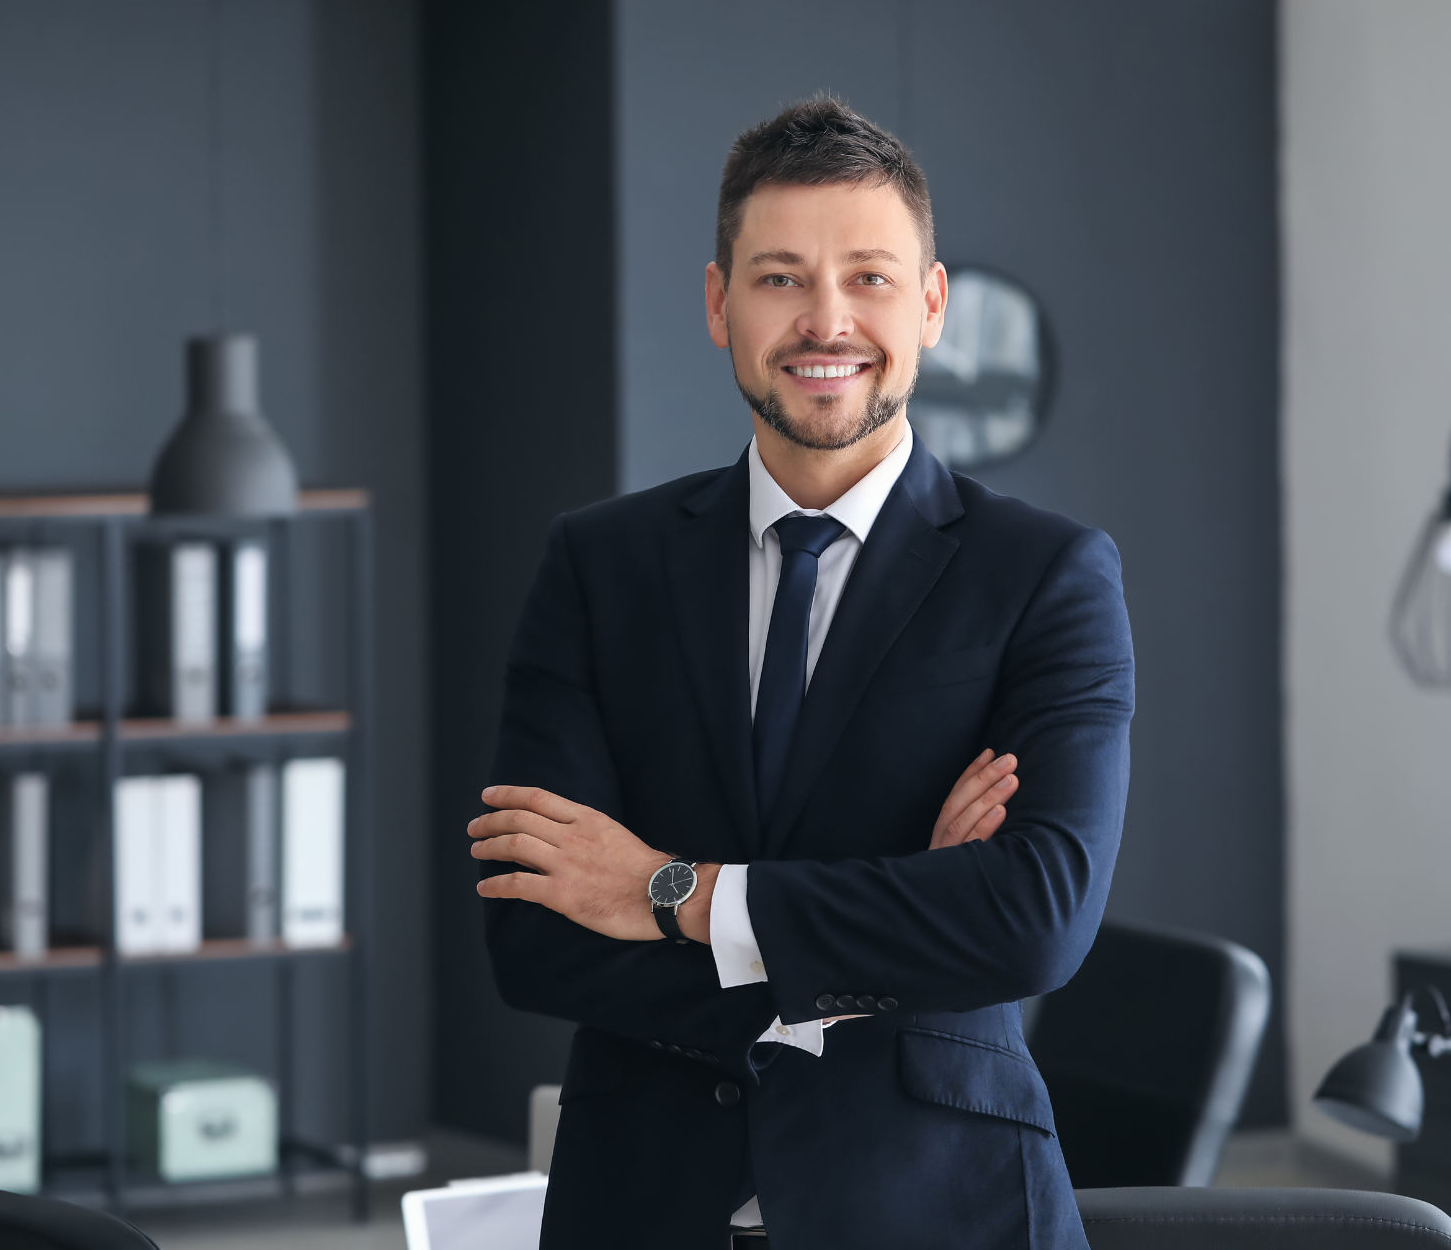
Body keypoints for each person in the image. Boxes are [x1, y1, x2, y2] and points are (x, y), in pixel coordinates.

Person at [469, 96, 1134, 1249]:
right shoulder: (598, 564)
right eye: (780, 278)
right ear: (718, 303)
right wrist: (911, 911)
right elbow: (533, 933)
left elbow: (1034, 918)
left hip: (939, 1207)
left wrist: (671, 892)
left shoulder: (1046, 574)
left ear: (932, 304)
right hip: (642, 1205)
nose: (827, 320)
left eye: (869, 277)